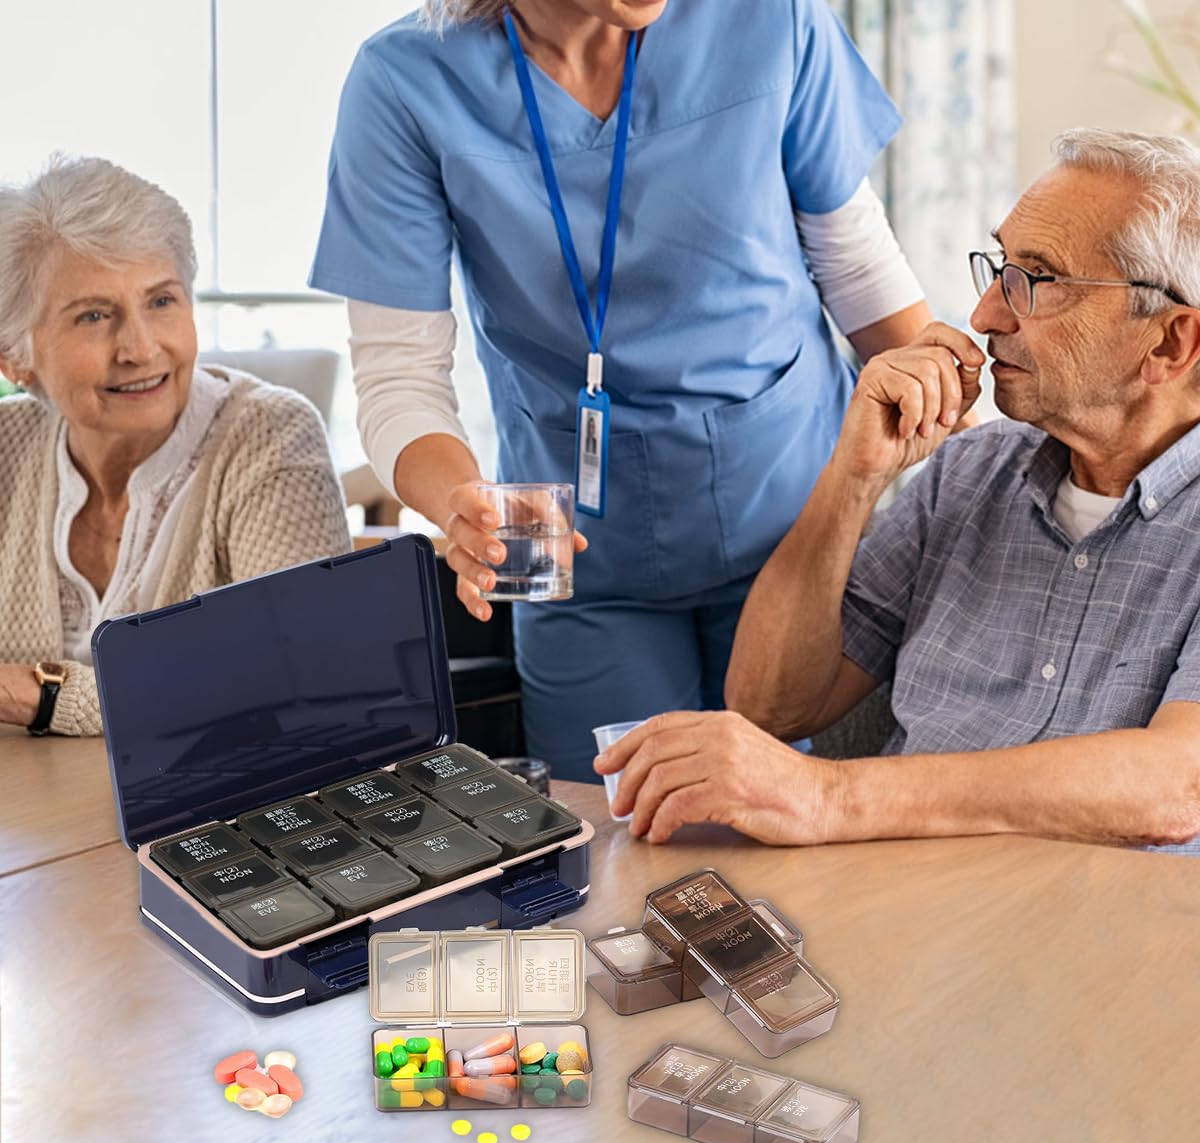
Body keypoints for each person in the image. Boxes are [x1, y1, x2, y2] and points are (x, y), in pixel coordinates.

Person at [310, 0, 933, 779]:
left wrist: (980, 446)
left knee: (780, 814)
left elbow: (857, 269)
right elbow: (399, 374)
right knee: (616, 829)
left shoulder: (770, 20)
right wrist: (460, 502)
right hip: (572, 543)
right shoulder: (406, 81)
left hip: (793, 514)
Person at [596, 128, 1200, 854]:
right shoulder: (966, 475)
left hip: (1100, 941)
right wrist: (854, 477)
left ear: (1170, 342)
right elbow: (770, 706)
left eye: (1036, 281)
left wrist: (828, 796)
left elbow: (1176, 786)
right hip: (893, 912)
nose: (985, 315)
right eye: (1001, 266)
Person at [0, 157, 352, 737]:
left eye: (162, 301)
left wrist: (37, 696)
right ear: (15, 355)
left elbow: (299, 684)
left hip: (221, 817)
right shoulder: (9, 446)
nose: (139, 348)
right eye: (93, 315)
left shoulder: (269, 436)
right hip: (33, 814)